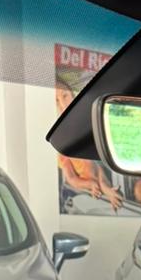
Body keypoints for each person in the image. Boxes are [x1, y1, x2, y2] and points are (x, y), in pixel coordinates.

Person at [54, 73, 123, 211]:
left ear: (73, 95)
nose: (62, 104)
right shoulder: (61, 143)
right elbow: (71, 179)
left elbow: (99, 164)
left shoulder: (90, 124)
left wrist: (102, 185)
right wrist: (89, 184)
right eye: (56, 100)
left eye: (65, 96)